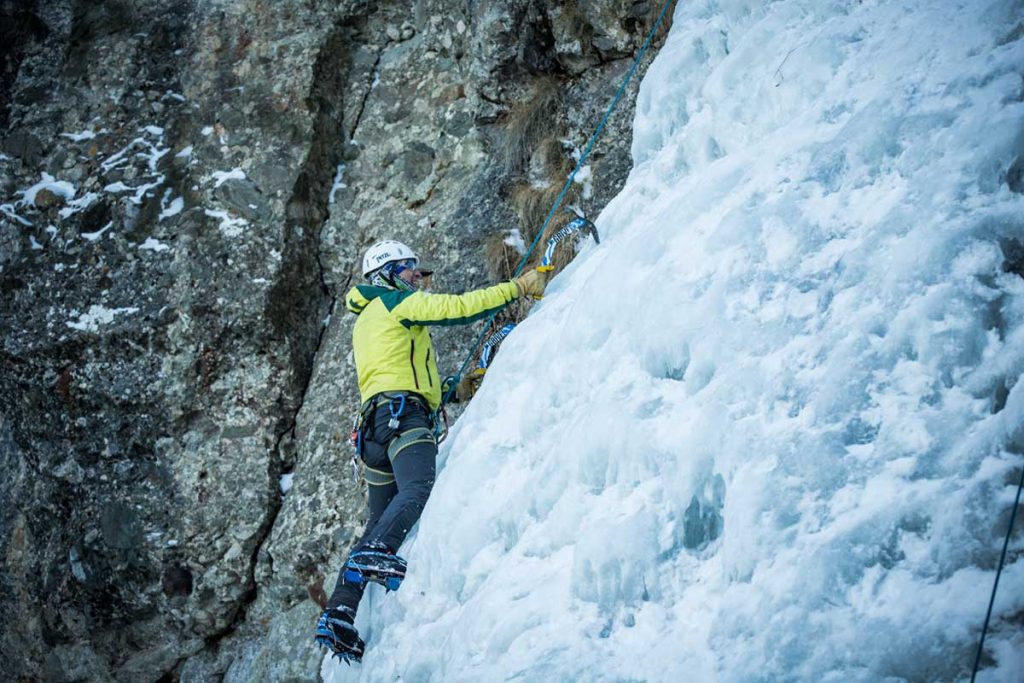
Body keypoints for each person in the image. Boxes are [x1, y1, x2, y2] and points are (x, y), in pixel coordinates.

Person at [314, 239, 548, 662]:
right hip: (403, 418)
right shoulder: (394, 303)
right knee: (418, 487)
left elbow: (395, 372)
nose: (417, 276)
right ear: (386, 273)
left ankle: (339, 613)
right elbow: (457, 308)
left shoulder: (367, 318)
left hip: (375, 429)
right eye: (408, 268)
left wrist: (450, 391)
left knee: (377, 522)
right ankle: (377, 554)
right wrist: (518, 287)